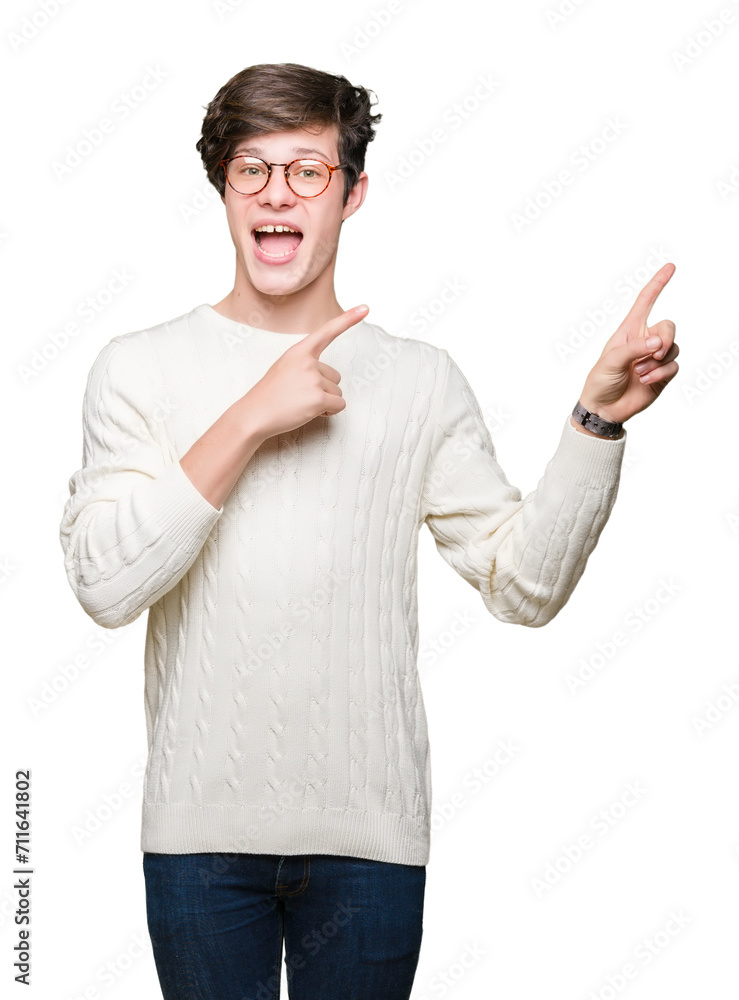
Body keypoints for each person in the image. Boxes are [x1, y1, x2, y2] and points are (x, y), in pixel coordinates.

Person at [58, 62, 679, 1000]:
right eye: (251, 170)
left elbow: (526, 588)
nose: (277, 194)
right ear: (222, 188)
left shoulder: (420, 380)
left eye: (307, 171)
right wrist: (249, 418)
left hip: (370, 845)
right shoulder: (138, 368)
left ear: (352, 193)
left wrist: (594, 423)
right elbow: (105, 585)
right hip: (198, 843)